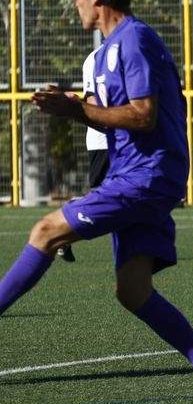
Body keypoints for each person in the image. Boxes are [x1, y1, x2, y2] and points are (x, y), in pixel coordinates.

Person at [0, 0, 193, 404]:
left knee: (46, 231)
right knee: (133, 291)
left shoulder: (134, 41)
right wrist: (72, 102)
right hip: (131, 173)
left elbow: (142, 114)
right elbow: (113, 109)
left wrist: (76, 112)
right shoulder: (109, 50)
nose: (75, 5)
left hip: (146, 175)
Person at [56, 46, 109, 263]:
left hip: (131, 139)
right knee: (104, 200)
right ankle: (63, 227)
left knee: (121, 197)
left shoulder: (136, 48)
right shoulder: (96, 58)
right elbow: (91, 102)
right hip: (104, 140)